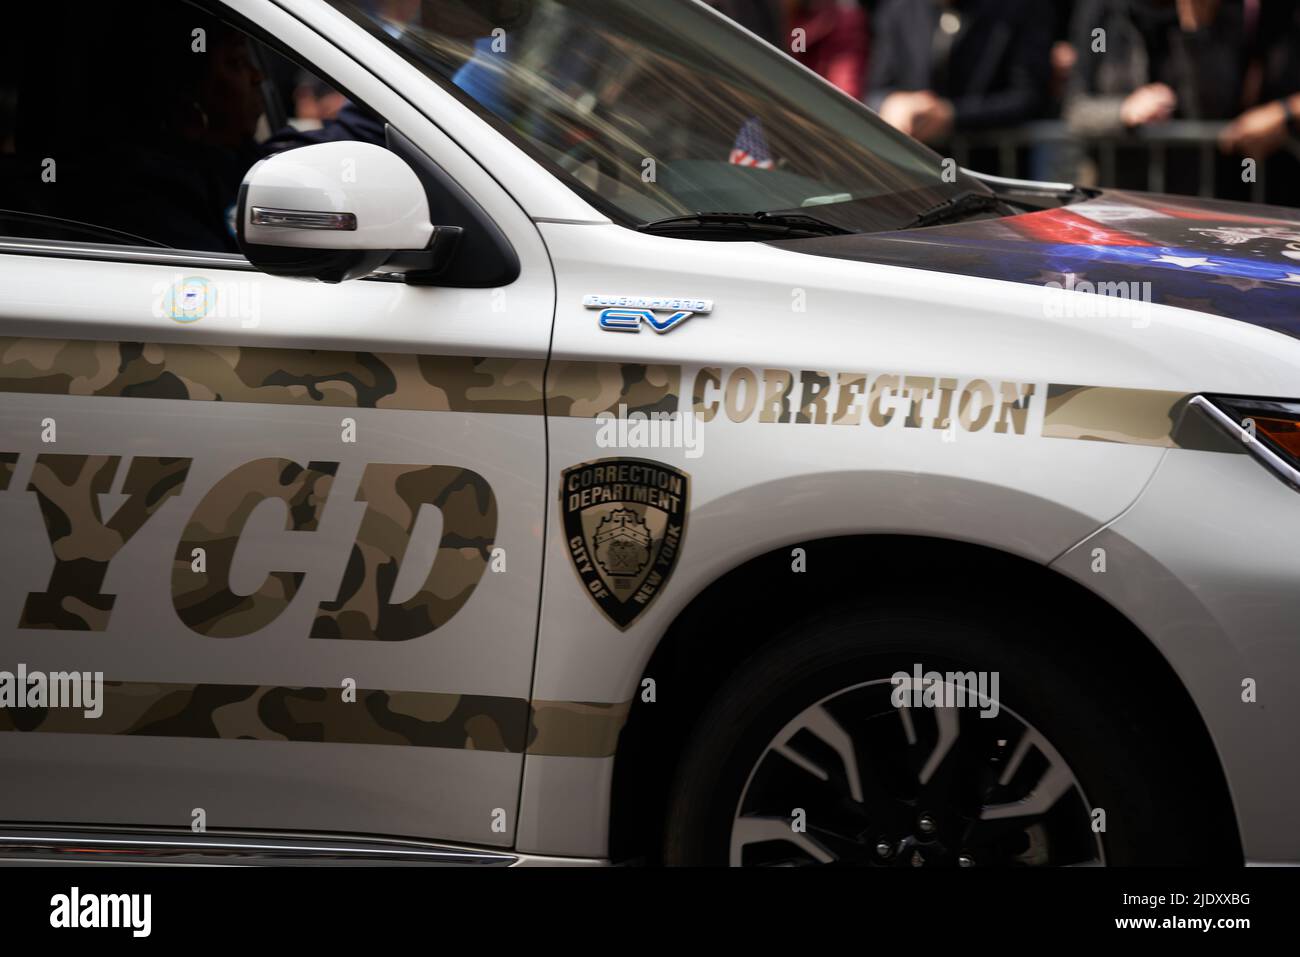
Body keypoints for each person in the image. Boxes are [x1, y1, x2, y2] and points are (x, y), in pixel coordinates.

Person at [866, 0, 1053, 146]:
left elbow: (1028, 95)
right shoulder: (899, 7)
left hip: (988, 173)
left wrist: (952, 115)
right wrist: (891, 103)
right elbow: (876, 89)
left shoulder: (1019, 7)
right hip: (917, 175)